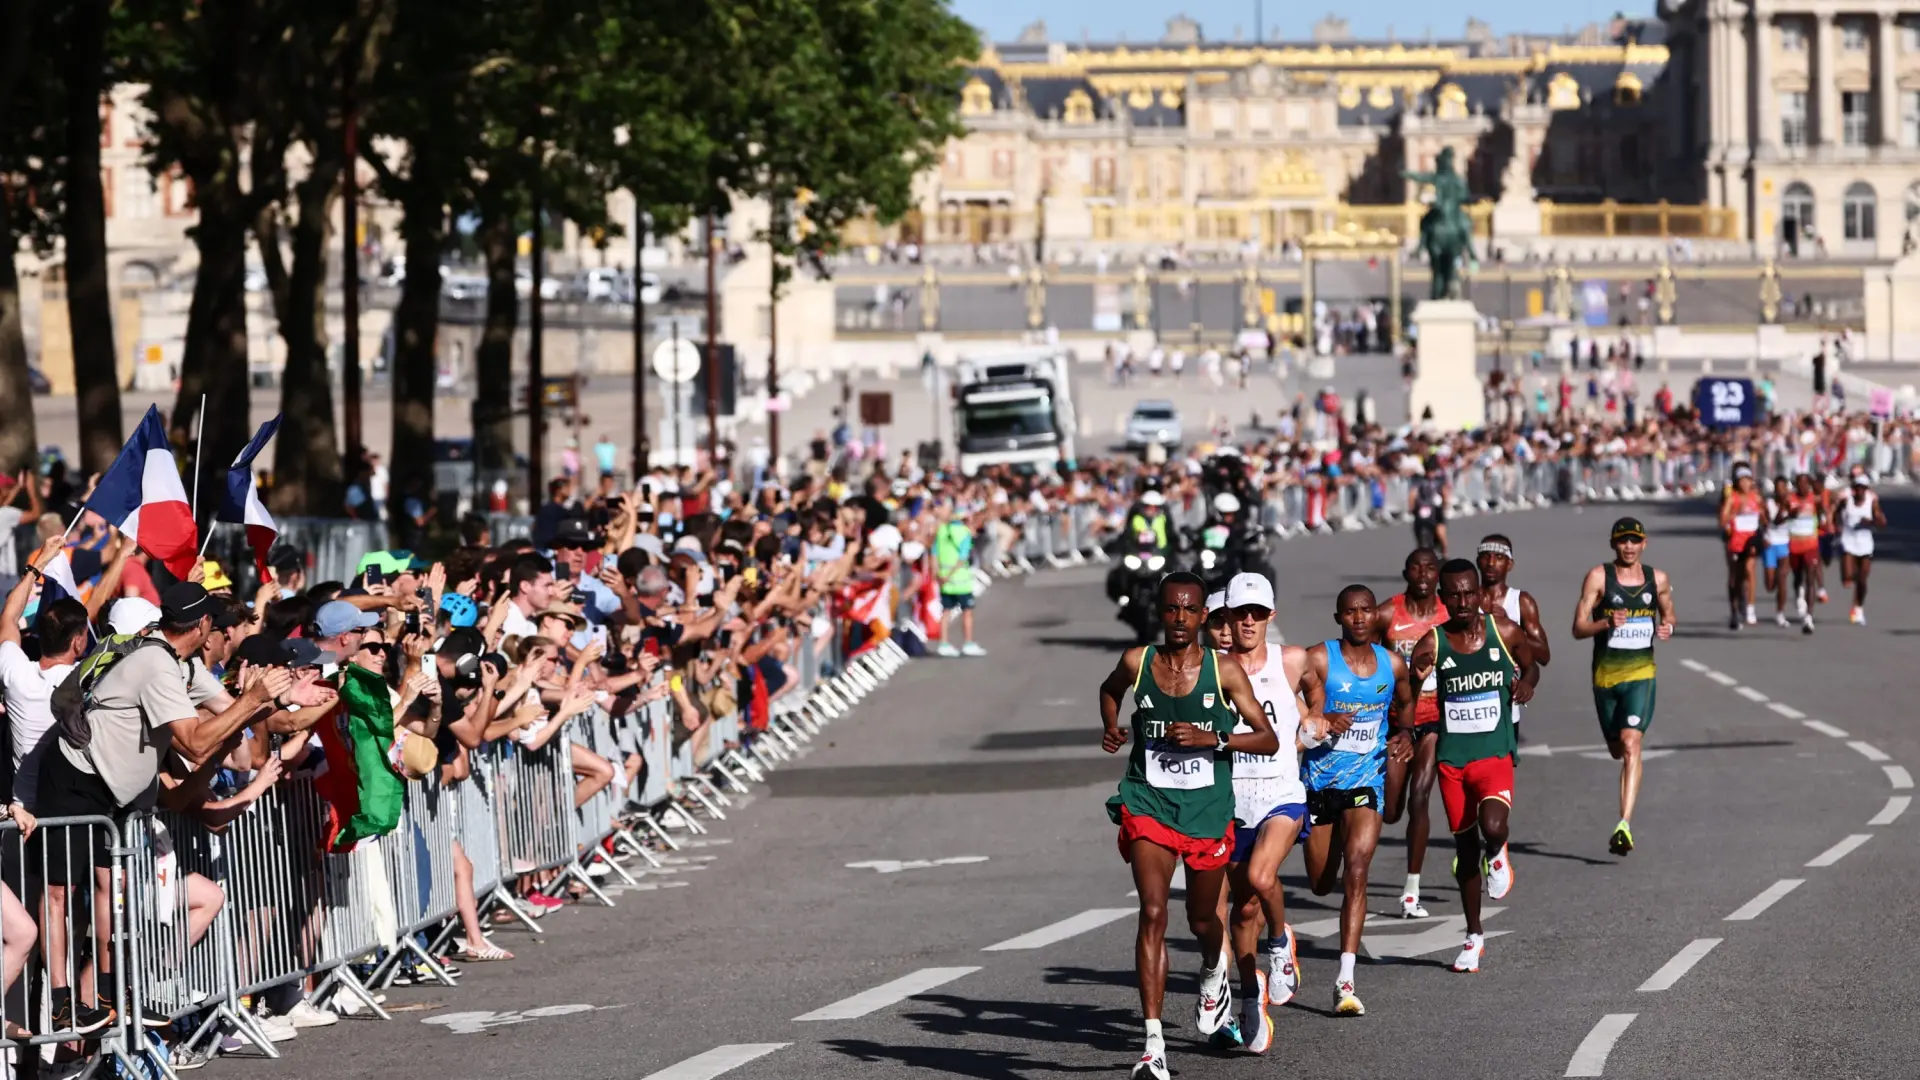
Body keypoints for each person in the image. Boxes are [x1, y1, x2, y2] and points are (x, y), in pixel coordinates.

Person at [1099, 572, 1278, 1080]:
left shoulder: (1223, 673)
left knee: (1203, 922)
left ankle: (1212, 970)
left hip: (1205, 813)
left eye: (1189, 610)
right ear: (1161, 612)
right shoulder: (1137, 663)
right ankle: (1153, 1044)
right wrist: (1111, 727)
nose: (1180, 618)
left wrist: (1213, 740)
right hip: (1148, 803)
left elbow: (1267, 739)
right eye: (1171, 609)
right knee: (1153, 911)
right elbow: (1109, 692)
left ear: (1204, 616)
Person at [1410, 560, 1537, 973]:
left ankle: (1498, 852)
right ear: (1442, 599)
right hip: (1453, 762)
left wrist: (1527, 683)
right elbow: (1409, 692)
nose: (1463, 602)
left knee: (1494, 826)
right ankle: (1473, 934)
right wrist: (1409, 700)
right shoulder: (1433, 644)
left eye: (1469, 593)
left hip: (1494, 754)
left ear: (1481, 595)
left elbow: (1531, 662)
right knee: (1465, 854)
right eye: (1454, 595)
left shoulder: (1504, 632)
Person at [1217, 573, 1321, 1054]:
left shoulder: (1292, 658)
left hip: (1282, 791)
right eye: (1241, 614)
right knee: (1242, 911)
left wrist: (1314, 718)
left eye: (1258, 613)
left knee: (1261, 878)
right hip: (1232, 799)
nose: (1249, 622)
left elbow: (1317, 689)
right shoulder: (1213, 669)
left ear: (1270, 616)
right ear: (1229, 617)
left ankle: (1280, 943)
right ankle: (1248, 996)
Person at [1300, 584, 1414, 1016]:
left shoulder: (1393, 664)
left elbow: (1406, 706)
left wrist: (1405, 734)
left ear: (1376, 616)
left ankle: (1345, 979)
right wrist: (1322, 718)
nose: (1361, 618)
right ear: (1339, 618)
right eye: (1351, 612)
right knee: (1321, 883)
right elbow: (1291, 703)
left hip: (1367, 780)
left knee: (1359, 867)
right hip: (1320, 783)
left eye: (1367, 610)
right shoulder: (1318, 659)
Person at [1571, 517, 1674, 856]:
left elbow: (1669, 614)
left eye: (1634, 541)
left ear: (1644, 544)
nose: (1629, 547)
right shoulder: (1599, 577)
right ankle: (1624, 816)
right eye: (1622, 541)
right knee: (1617, 749)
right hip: (1605, 678)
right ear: (1613, 544)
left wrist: (1668, 628)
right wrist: (1604, 622)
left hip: (1641, 675)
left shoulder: (1657, 579)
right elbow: (1578, 628)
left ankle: (1624, 824)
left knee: (1632, 744)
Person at [1375, 548, 1447, 918]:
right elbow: (1362, 657)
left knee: (1421, 797)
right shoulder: (1388, 613)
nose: (1423, 574)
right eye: (1416, 568)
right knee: (1390, 810)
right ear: (1405, 573)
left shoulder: (1451, 614)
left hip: (1434, 720)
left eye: (1430, 568)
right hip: (1394, 722)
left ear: (1439, 574)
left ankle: (1410, 889)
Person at [1474, 534, 1551, 746]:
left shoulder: (1520, 602)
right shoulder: (1465, 600)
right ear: (1477, 561)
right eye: (1486, 556)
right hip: (1467, 700)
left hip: (1506, 703)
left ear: (1510, 564)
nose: (1491, 563)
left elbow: (1543, 655)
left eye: (1499, 557)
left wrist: (1510, 627)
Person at [933, 505, 984, 657]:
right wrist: (949, 574)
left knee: (946, 612)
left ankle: (943, 643)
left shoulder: (941, 531)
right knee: (967, 612)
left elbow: (934, 554)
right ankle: (968, 643)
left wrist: (938, 574)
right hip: (960, 581)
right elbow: (962, 558)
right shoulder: (964, 533)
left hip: (944, 580)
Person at [1717, 466, 1764, 629]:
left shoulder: (1756, 498)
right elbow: (1722, 520)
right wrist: (1729, 521)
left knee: (1750, 571)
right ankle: (1734, 610)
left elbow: (1764, 517)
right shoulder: (1732, 498)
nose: (1745, 483)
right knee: (1735, 577)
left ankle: (1750, 610)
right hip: (1736, 541)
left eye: (1747, 480)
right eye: (1742, 480)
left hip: (1751, 539)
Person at [1836, 472, 1884, 625]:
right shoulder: (1847, 501)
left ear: (1866, 489)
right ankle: (1855, 578)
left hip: (1865, 543)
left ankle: (1858, 608)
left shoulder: (1872, 502)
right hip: (1848, 541)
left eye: (1863, 488)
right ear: (1853, 489)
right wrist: (1836, 526)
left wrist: (1872, 520)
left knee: (1863, 580)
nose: (1859, 491)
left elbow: (1881, 522)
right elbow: (1836, 513)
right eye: (1857, 488)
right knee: (1848, 578)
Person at [1784, 474, 1824, 633]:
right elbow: (1789, 514)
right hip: (1794, 544)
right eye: (1800, 484)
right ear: (1796, 485)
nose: (1803, 487)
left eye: (1806, 484)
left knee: (1810, 578)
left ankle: (1808, 617)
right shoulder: (1790, 499)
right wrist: (1795, 510)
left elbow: (1821, 515)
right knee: (1798, 577)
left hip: (1811, 544)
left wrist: (1823, 519)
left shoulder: (1815, 499)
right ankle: (1797, 593)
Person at [1761, 476, 1794, 627]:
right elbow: (1770, 522)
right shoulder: (1768, 504)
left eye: (1783, 488)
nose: (1781, 491)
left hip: (1785, 544)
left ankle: (1780, 613)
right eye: (1778, 488)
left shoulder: (1792, 503)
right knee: (1770, 585)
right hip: (1770, 542)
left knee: (1782, 580)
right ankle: (1771, 583)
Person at [1409, 459, 1449, 555]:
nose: (1430, 473)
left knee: (1441, 533)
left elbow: (1445, 493)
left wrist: (1445, 504)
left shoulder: (1439, 480)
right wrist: (1411, 507)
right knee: (1417, 526)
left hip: (1436, 509)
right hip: (1423, 508)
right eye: (1428, 470)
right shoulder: (1419, 480)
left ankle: (1445, 552)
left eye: (1432, 470)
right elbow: (1413, 493)